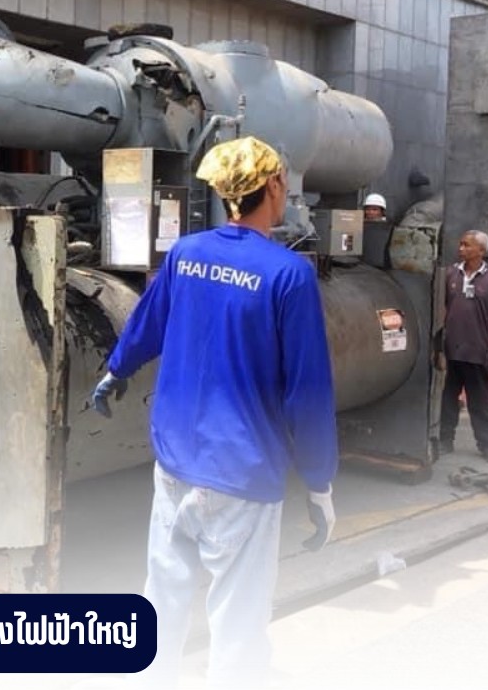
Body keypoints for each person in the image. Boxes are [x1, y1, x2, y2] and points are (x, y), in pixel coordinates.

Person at [90, 135, 337, 688]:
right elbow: (308, 391)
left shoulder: (186, 254)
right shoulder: (288, 274)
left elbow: (147, 324)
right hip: (242, 475)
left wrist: (115, 370)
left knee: (163, 596)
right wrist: (319, 482)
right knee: (238, 621)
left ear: (225, 193)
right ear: (273, 185)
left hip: (175, 462)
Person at [439, 230, 488, 464]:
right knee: (447, 400)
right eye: (460, 244)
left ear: (481, 250)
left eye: (467, 245)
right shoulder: (450, 274)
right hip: (451, 350)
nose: (461, 249)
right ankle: (444, 440)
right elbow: (443, 308)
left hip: (477, 351)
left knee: (482, 402)